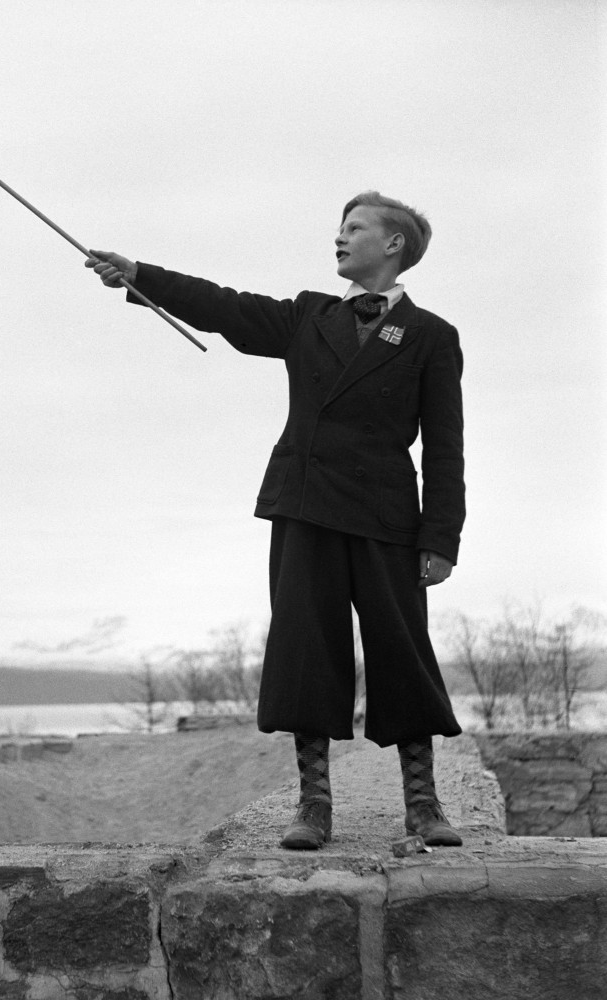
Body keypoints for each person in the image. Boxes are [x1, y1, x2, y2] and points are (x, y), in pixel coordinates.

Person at [86, 191, 465, 850]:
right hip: (304, 504)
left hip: (387, 516)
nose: (339, 238)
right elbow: (225, 307)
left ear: (394, 244)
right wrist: (142, 276)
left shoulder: (432, 335)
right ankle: (313, 805)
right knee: (304, 651)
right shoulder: (309, 316)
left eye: (354, 228)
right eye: (340, 228)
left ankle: (423, 804)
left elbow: (445, 447)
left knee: (403, 652)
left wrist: (441, 537)